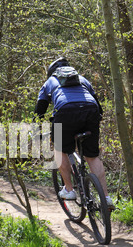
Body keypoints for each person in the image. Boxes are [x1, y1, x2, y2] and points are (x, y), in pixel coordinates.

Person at [35, 57, 114, 209]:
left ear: (51, 72)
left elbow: (39, 111)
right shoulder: (82, 79)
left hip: (64, 112)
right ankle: (106, 197)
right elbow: (99, 108)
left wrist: (37, 129)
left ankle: (70, 190)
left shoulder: (49, 82)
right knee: (92, 157)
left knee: (60, 150)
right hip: (91, 111)